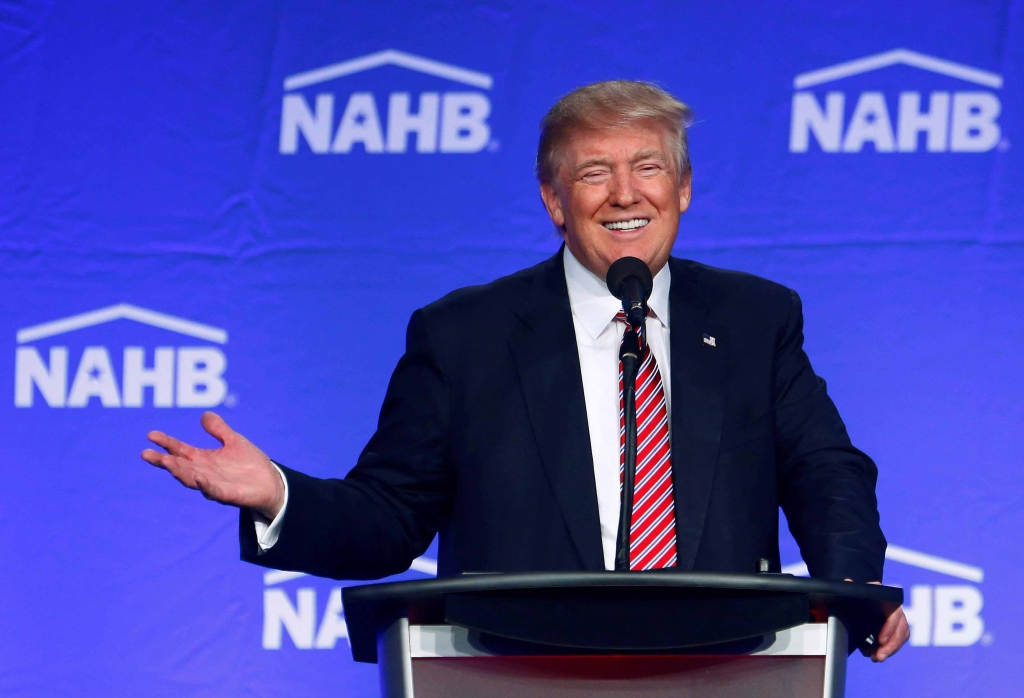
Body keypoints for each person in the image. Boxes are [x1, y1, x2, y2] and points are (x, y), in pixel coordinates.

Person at [142, 80, 909, 661]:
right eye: (593, 174)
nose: (624, 194)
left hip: (724, 665)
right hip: (518, 668)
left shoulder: (753, 319)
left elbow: (825, 471)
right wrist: (279, 493)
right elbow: (389, 519)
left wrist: (852, 594)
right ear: (553, 199)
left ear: (682, 189)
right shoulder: (463, 335)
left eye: (648, 167)